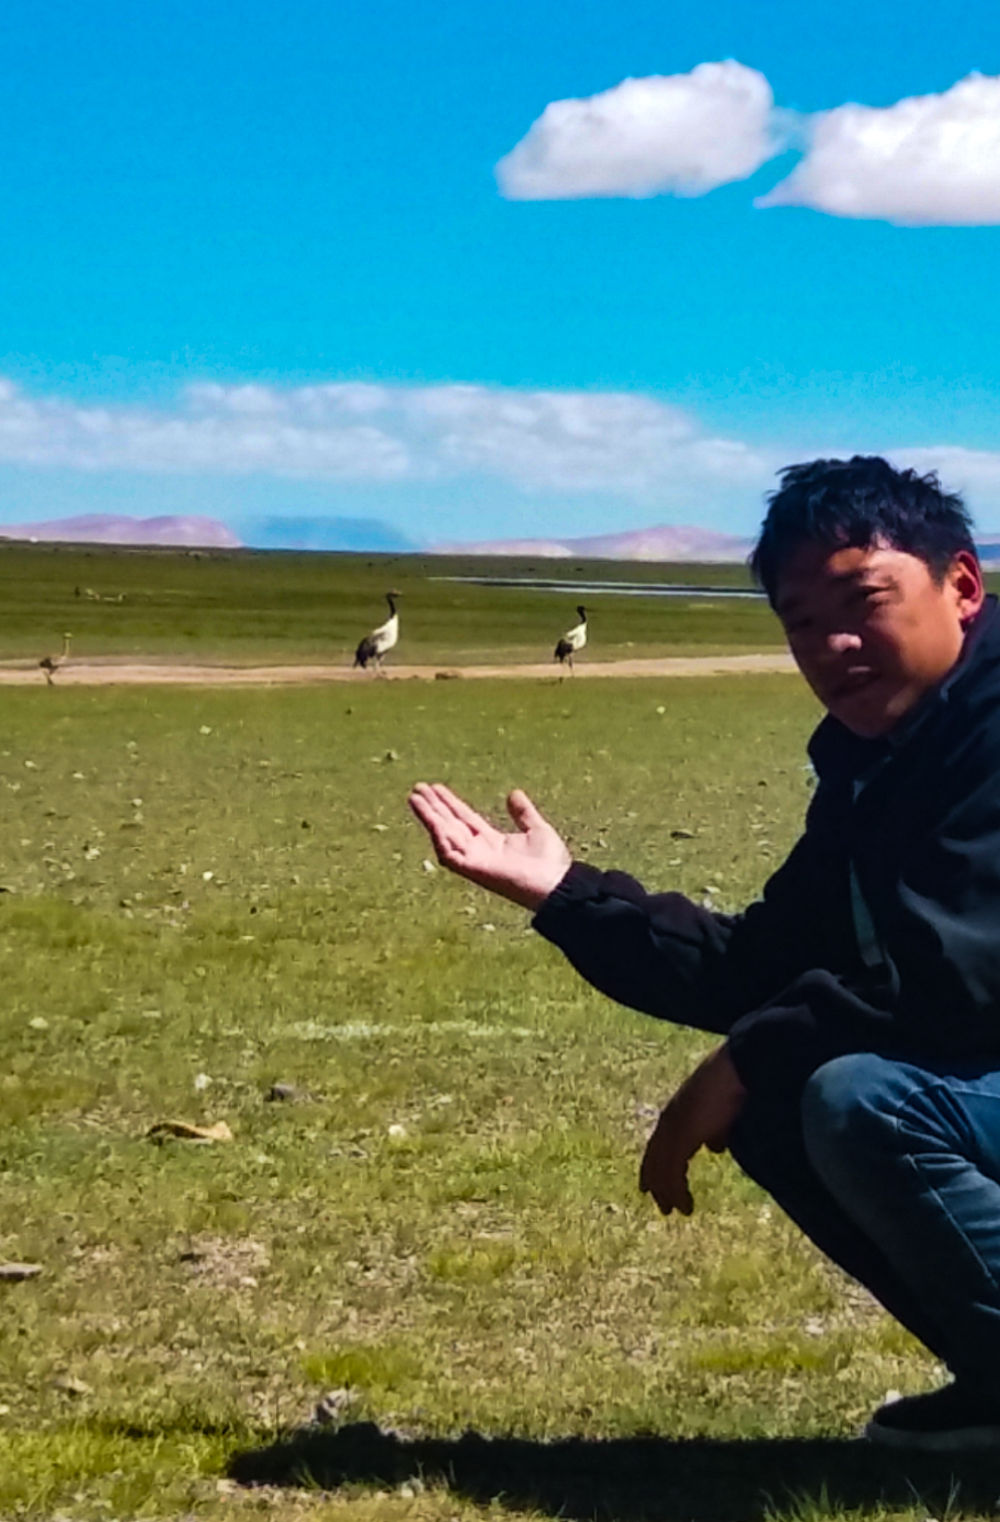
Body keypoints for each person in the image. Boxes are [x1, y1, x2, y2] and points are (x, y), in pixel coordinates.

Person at [409, 455, 1000, 1453]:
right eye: (801, 622)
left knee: (861, 1099)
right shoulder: (882, 761)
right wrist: (566, 895)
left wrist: (737, 1063)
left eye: (862, 601)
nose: (833, 644)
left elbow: (955, 971)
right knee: (787, 1101)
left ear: (963, 585)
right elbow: (760, 966)